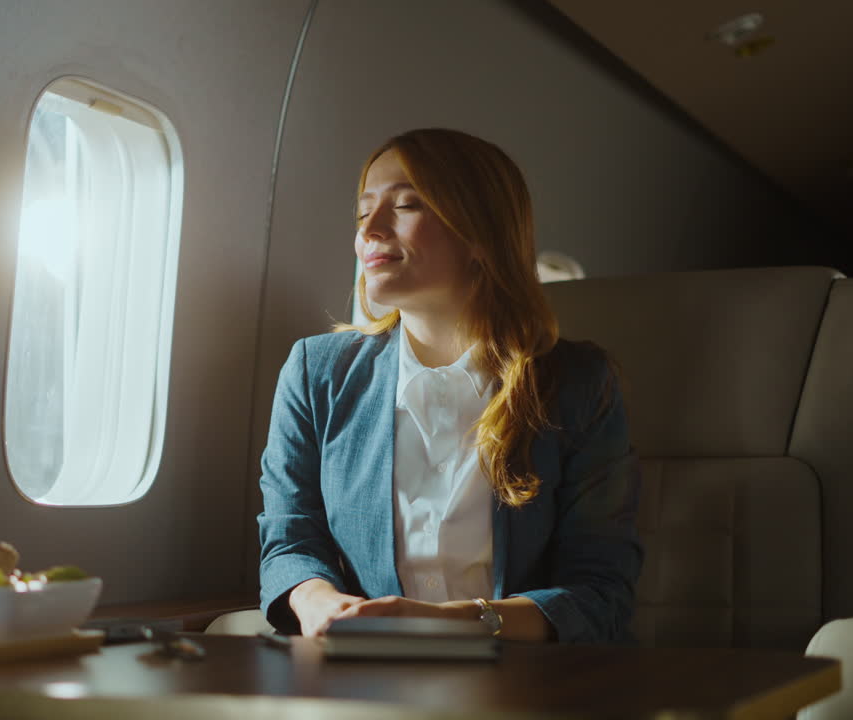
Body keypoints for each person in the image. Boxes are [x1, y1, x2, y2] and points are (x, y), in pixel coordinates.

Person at [257, 128, 643, 643]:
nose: (370, 229)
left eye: (406, 205)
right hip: (361, 671)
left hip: (527, 677)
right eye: (363, 212)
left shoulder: (577, 384)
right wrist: (319, 603)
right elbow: (290, 540)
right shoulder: (317, 373)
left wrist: (456, 624)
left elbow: (600, 590)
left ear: (482, 233)